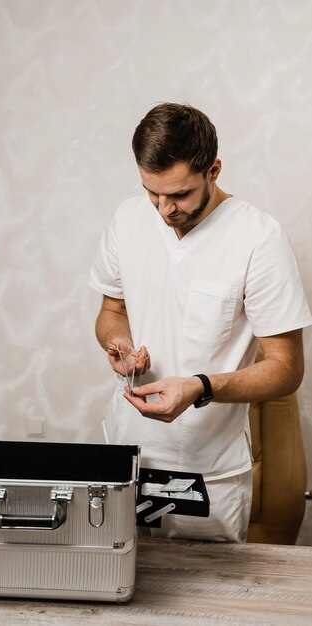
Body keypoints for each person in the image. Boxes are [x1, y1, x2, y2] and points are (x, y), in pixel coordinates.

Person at [88, 102, 312, 542]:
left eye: (179, 194)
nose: (164, 209)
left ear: (214, 169)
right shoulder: (128, 219)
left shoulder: (259, 239)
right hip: (125, 461)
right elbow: (112, 312)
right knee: (118, 591)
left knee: (203, 604)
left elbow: (287, 369)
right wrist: (118, 345)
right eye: (152, 192)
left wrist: (199, 387)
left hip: (209, 473)